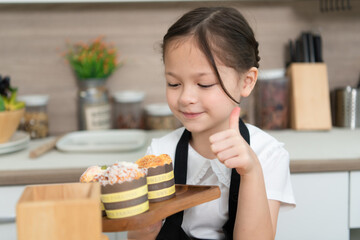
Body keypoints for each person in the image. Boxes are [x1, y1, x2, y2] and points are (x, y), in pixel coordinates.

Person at [128, 6, 295, 240]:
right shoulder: (160, 155)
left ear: (247, 81)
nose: (186, 97)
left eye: (204, 84)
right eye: (174, 84)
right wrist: (143, 226)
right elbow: (138, 237)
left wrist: (251, 172)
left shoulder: (268, 154)